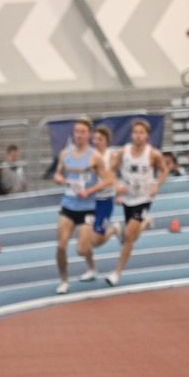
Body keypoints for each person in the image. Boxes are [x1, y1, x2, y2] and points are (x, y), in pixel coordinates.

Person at [52, 118, 112, 294]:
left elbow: (108, 180)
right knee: (61, 245)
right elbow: (57, 173)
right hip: (68, 206)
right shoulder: (65, 154)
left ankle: (92, 267)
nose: (79, 135)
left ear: (89, 134)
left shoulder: (95, 156)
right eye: (77, 131)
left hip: (87, 208)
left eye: (83, 132)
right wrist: (58, 178)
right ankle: (64, 280)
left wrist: (90, 190)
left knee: (82, 249)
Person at [106, 119, 168, 286]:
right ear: (131, 134)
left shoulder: (153, 154)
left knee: (128, 237)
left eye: (141, 133)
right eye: (135, 132)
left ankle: (116, 273)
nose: (138, 136)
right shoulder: (123, 152)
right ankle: (145, 222)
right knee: (131, 236)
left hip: (143, 199)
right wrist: (116, 185)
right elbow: (110, 169)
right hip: (128, 199)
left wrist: (156, 185)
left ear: (147, 135)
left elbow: (164, 171)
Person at [77, 125, 121, 273]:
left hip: (105, 202)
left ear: (106, 141)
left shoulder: (111, 155)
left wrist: (119, 192)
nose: (96, 142)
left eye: (100, 139)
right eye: (94, 139)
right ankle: (91, 269)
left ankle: (113, 229)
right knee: (82, 246)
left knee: (95, 241)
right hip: (89, 202)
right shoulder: (88, 155)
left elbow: (110, 178)